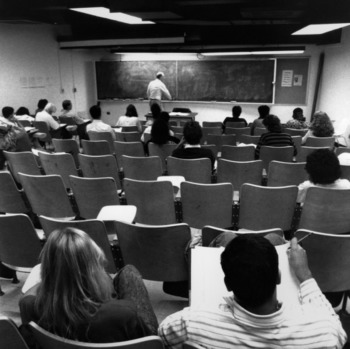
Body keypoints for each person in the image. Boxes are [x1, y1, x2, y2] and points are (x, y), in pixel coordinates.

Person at [158, 234, 347, 348]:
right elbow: (337, 331)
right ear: (279, 277)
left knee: (225, 238)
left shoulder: (187, 324)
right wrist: (305, 274)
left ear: (227, 284)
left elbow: (162, 336)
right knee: (275, 238)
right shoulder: (324, 334)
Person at [19, 228, 158, 345]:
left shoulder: (30, 306)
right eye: (98, 264)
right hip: (118, 327)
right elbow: (151, 344)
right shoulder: (124, 313)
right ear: (92, 272)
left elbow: (29, 298)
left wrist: (57, 275)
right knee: (129, 272)